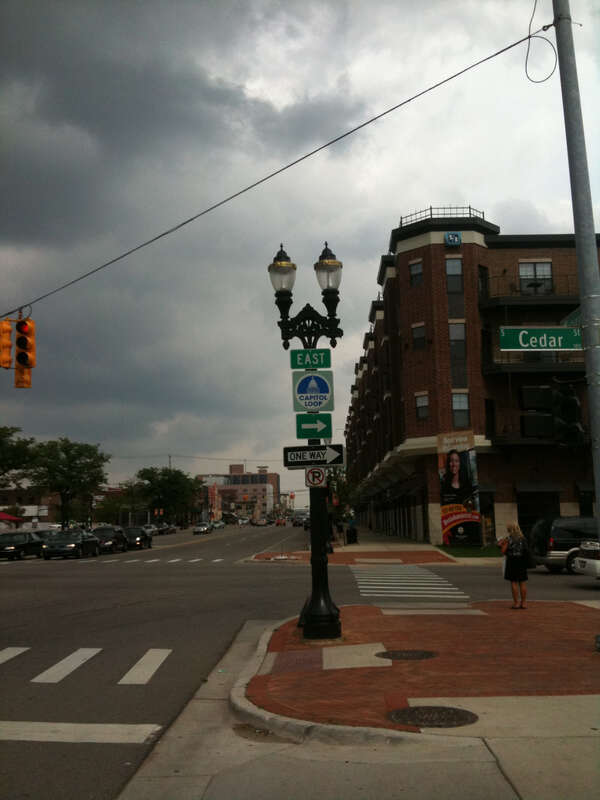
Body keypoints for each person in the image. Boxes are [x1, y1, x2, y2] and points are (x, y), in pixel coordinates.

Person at [500, 522, 530, 608]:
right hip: (521, 561)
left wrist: (502, 544)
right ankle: (524, 603)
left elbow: (503, 552)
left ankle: (516, 603)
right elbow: (526, 550)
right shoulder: (523, 538)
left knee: (514, 582)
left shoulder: (508, 539)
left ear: (510, 529)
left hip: (512, 561)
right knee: (522, 582)